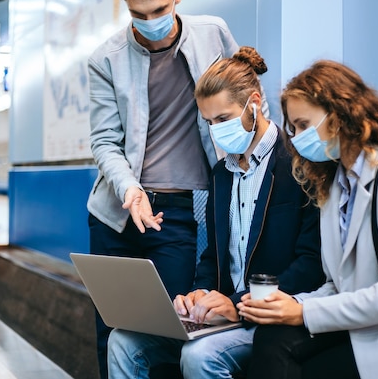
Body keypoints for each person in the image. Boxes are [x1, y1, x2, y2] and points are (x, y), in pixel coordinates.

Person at [237, 60, 378, 379]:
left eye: (304, 125)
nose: (296, 138)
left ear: (338, 116)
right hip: (366, 330)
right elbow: (338, 284)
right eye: (293, 128)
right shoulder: (335, 184)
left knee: (295, 358)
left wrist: (303, 311)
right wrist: (287, 304)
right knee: (272, 337)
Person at [86, 0, 265, 377]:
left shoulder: (212, 33)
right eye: (138, 14)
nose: (150, 23)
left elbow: (244, 97)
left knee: (171, 327)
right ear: (125, 6)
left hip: (176, 211)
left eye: (159, 10)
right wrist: (130, 192)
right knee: (111, 329)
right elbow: (105, 142)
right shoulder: (105, 59)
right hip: (116, 211)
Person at [107, 47, 324, 379]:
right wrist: (200, 294)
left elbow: (310, 266)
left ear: (254, 102)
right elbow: (211, 258)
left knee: (199, 356)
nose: (216, 130)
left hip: (269, 315)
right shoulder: (221, 175)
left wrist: (237, 304)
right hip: (224, 316)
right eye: (208, 122)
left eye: (223, 119)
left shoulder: (299, 166)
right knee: (123, 341)